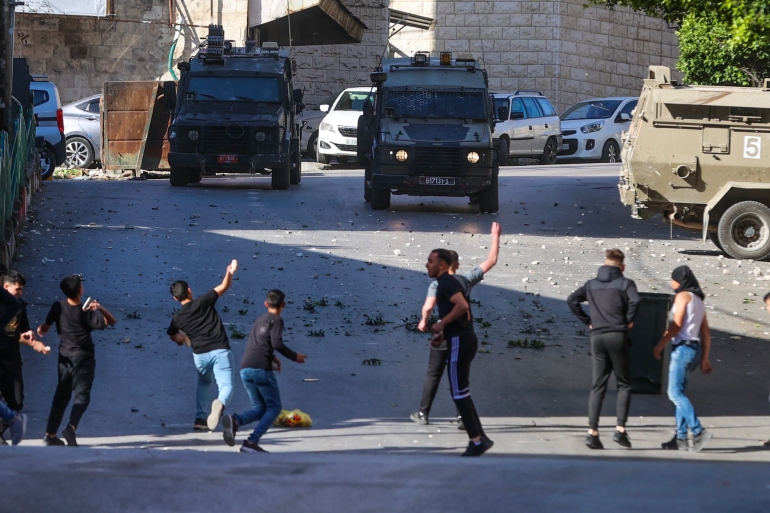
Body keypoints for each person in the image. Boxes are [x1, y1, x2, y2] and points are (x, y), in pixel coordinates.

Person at [411, 222, 501, 428]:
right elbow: (492, 260)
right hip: (464, 335)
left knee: (433, 373)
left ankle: (423, 413)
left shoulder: (437, 284)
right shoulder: (466, 280)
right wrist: (495, 236)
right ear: (457, 265)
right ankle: (462, 416)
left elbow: (428, 306)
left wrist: (425, 321)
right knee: (461, 376)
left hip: (446, 336)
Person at [567, 249, 639, 450]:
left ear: (604, 265)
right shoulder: (626, 284)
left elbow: (572, 300)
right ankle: (620, 430)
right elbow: (637, 300)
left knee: (598, 385)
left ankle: (592, 433)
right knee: (624, 384)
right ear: (622, 267)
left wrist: (588, 321)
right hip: (617, 335)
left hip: (597, 337)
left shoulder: (591, 284)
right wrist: (629, 320)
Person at [221, 289, 307, 453]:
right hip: (261, 369)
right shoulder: (277, 320)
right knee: (274, 408)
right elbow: (277, 343)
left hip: (245, 368)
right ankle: (252, 442)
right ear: (283, 304)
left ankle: (236, 421)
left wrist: (272, 358)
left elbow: (259, 343)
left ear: (266, 304)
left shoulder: (260, 319)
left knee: (260, 407)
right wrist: (294, 356)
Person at [427, 248, 492, 456]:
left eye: (431, 261)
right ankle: (481, 437)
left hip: (459, 342)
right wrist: (442, 333)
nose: (427, 264)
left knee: (459, 394)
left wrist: (440, 325)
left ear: (443, 265)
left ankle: (477, 441)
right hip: (462, 338)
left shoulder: (446, 283)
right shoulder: (448, 283)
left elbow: (462, 307)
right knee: (462, 393)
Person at [38, 274, 117, 446]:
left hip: (64, 357)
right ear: (80, 291)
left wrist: (41, 329)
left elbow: (45, 326)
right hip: (84, 358)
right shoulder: (87, 313)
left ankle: (50, 434)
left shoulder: (57, 306)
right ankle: (71, 427)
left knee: (61, 396)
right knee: (82, 396)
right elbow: (112, 321)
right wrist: (99, 307)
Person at [168, 260, 238, 432]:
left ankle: (200, 418)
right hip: (220, 350)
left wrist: (182, 338)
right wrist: (229, 272)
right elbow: (223, 287)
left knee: (204, 382)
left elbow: (172, 334)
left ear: (175, 299)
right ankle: (219, 405)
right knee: (226, 386)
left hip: (200, 355)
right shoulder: (204, 301)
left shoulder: (178, 318)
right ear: (190, 290)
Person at [653, 266, 713, 452]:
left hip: (683, 350)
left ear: (682, 280)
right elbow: (705, 333)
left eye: (673, 279)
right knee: (680, 393)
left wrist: (661, 343)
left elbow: (677, 325)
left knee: (674, 394)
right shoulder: (699, 300)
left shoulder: (682, 296)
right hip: (694, 350)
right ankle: (680, 438)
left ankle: (698, 431)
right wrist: (705, 358)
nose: (671, 283)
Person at [0, 271, 49, 444]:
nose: (20, 293)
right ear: (6, 287)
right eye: (18, 289)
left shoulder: (19, 306)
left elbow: (20, 334)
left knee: (17, 402)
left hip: (12, 361)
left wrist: (34, 343)